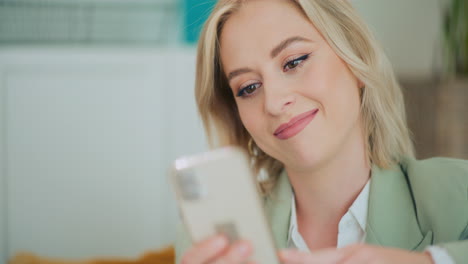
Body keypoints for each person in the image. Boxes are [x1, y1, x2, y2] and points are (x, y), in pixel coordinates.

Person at [175, 0, 468, 263]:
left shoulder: (458, 194)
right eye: (249, 87)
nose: (275, 103)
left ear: (355, 58)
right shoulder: (215, 242)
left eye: (294, 62)